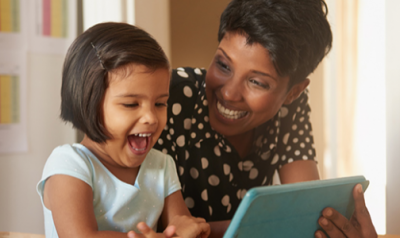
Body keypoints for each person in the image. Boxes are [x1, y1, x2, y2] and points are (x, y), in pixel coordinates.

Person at [153, 0, 377, 237]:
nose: (229, 93)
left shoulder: (290, 108)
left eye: (257, 82)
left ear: (293, 93)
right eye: (223, 65)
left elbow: (308, 216)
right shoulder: (166, 98)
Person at [36, 22, 210, 238]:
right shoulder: (69, 164)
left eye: (160, 104)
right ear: (88, 103)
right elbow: (80, 236)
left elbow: (178, 222)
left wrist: (186, 230)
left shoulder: (162, 166)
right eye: (131, 104)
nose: (151, 118)